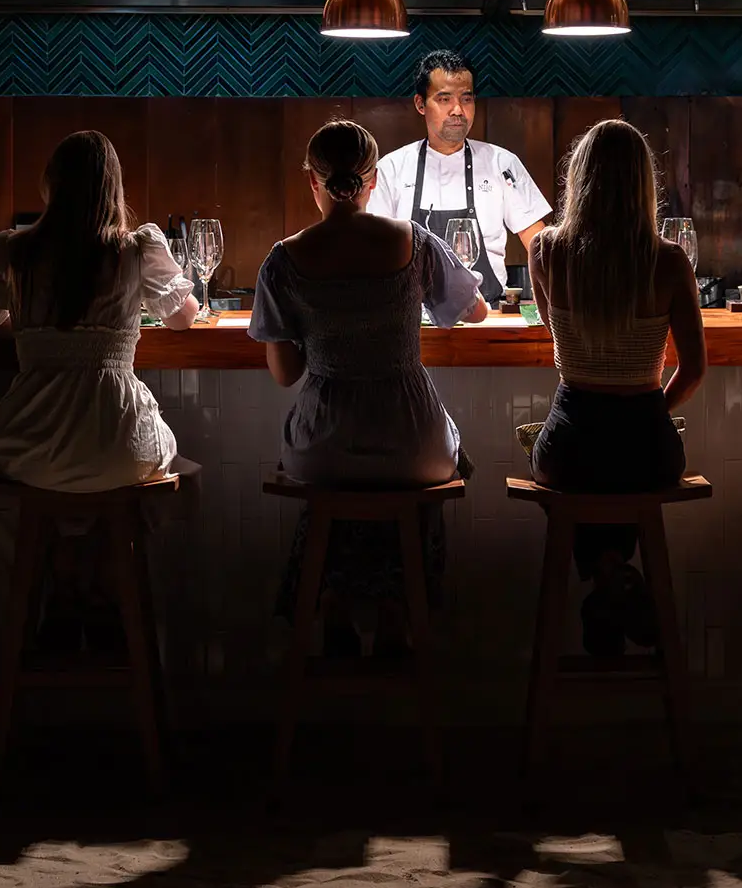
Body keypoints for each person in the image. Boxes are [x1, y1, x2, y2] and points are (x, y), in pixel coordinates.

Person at [250, 119, 487, 656]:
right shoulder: (413, 240)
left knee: (335, 479)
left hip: (326, 442)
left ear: (312, 180)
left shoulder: (284, 259)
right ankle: (397, 611)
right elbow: (472, 311)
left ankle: (332, 601)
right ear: (373, 179)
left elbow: (286, 373)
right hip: (410, 437)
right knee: (419, 468)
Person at [0, 129, 199, 650]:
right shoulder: (135, 249)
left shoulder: (16, 250)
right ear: (114, 188)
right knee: (134, 475)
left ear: (51, 183)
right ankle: (106, 602)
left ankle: (63, 603)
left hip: (31, 439)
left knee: (48, 490)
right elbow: (182, 317)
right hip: (118, 438)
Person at [528, 119, 707, 656]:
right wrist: (652, 410)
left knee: (571, 469)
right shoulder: (669, 261)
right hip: (648, 450)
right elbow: (694, 369)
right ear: (643, 184)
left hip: (571, 445)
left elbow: (555, 330)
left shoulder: (547, 252)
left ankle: (606, 578)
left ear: (578, 180)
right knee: (625, 471)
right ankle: (614, 578)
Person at [369, 49, 553, 306]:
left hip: (487, 313)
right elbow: (373, 250)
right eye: (444, 99)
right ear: (420, 104)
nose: (457, 110)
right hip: (411, 315)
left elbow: (539, 245)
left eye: (466, 99)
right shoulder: (391, 169)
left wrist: (553, 304)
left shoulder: (502, 163)